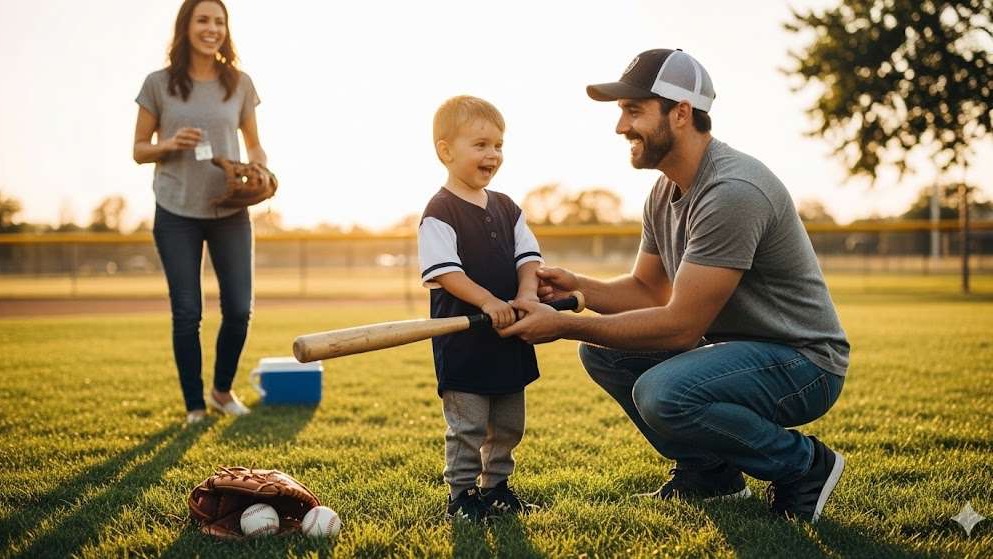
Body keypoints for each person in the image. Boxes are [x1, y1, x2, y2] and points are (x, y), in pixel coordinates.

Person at [500, 49, 850, 523]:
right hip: (737, 351)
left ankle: (803, 465)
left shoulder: (732, 191)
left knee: (663, 393)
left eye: (634, 111)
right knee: (606, 353)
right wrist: (577, 287)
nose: (620, 127)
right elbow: (647, 289)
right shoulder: (664, 190)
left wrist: (564, 324)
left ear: (681, 113)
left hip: (803, 362)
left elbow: (680, 327)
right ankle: (710, 473)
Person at [133, 0, 266, 424]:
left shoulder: (240, 83)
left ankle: (221, 392)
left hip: (229, 211)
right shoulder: (159, 83)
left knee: (240, 309)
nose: (212, 28)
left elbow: (254, 143)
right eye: (203, 20)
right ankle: (194, 407)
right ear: (186, 27)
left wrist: (260, 167)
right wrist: (168, 144)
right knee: (188, 311)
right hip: (176, 210)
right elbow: (138, 150)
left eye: (219, 21)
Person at [418, 96, 544, 521]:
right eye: (481, 144)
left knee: (509, 423)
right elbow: (447, 273)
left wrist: (526, 294)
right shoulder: (439, 211)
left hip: (510, 336)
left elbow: (529, 258)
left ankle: (496, 488)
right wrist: (489, 301)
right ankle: (461, 497)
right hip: (465, 341)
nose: (493, 154)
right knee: (469, 425)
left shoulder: (507, 207)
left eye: (499, 145)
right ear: (446, 150)